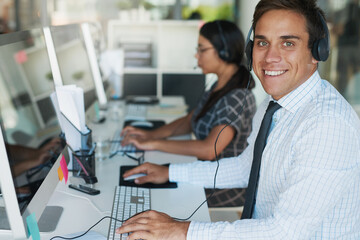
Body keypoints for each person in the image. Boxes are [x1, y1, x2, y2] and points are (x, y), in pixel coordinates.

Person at [116, 0, 360, 239]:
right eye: (262, 42)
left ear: (317, 52)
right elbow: (245, 167)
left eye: (287, 43)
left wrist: (181, 230)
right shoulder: (275, 105)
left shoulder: (327, 125)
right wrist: (169, 172)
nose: (270, 57)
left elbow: (286, 232)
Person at [121, 20, 256, 207]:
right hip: (201, 172)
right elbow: (190, 120)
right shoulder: (219, 85)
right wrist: (150, 135)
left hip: (221, 188)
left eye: (202, 49)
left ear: (223, 51)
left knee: (150, 195)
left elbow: (210, 149)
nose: (196, 55)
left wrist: (154, 144)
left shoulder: (237, 97)